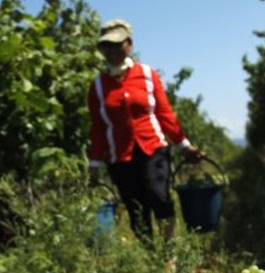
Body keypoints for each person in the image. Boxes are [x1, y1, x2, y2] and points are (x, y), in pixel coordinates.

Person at [87, 18, 205, 242]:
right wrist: (94, 165)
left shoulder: (148, 75)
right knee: (136, 209)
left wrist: (184, 146)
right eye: (106, 46)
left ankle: (170, 253)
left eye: (117, 44)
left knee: (159, 196)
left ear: (129, 45)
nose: (111, 50)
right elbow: (98, 128)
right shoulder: (98, 87)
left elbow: (165, 114)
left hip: (153, 148)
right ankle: (151, 256)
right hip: (119, 157)